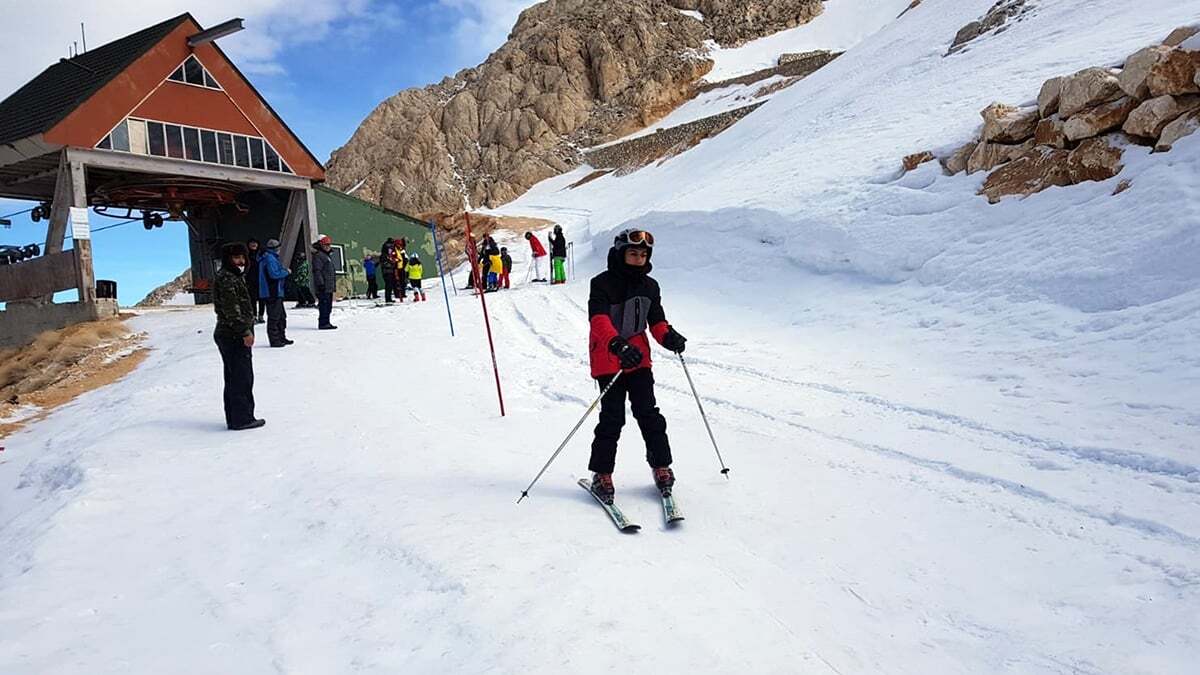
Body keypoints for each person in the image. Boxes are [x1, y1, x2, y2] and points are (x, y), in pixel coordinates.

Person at [585, 228, 688, 503]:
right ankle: (601, 473)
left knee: (648, 413)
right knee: (612, 418)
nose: (638, 258)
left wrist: (668, 336)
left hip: (639, 359)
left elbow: (656, 321)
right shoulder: (601, 283)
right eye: (633, 253)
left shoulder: (650, 286)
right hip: (609, 359)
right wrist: (618, 344)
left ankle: (661, 466)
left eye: (643, 254)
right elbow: (598, 321)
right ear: (621, 253)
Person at [213, 242, 265, 430]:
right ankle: (241, 419)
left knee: (235, 377)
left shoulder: (235, 277)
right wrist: (244, 331)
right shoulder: (228, 279)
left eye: (242, 257)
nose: (241, 261)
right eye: (236, 258)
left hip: (231, 334)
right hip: (232, 335)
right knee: (241, 378)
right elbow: (231, 310)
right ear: (228, 259)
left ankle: (237, 417)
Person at [258, 238, 292, 347]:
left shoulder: (269, 258)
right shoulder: (270, 259)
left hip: (274, 292)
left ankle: (281, 337)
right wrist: (286, 272)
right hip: (272, 292)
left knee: (281, 316)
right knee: (274, 317)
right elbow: (274, 274)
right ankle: (275, 339)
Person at [312, 235, 338, 330]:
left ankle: (326, 321)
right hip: (323, 286)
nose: (328, 246)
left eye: (329, 244)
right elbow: (317, 271)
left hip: (329, 286)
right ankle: (323, 323)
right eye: (326, 244)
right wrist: (320, 284)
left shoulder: (326, 256)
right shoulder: (319, 256)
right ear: (321, 245)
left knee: (328, 305)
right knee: (324, 305)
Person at [245, 238, 264, 323]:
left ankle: (261, 315)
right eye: (252, 243)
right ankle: (254, 316)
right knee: (252, 299)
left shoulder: (261, 254)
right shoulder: (246, 256)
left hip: (261, 279)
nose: (254, 245)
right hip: (251, 280)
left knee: (262, 299)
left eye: (255, 243)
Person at [380, 238, 398, 303]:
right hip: (387, 272)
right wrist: (392, 263)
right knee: (388, 285)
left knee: (390, 286)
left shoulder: (388, 255)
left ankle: (389, 298)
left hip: (390, 271)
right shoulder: (384, 256)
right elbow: (385, 263)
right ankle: (388, 299)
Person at [395, 237, 409, 302]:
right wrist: (398, 260)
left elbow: (405, 258)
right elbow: (394, 258)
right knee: (398, 282)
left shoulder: (401, 250)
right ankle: (399, 294)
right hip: (397, 268)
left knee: (403, 281)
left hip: (402, 268)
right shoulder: (395, 250)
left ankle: (403, 293)